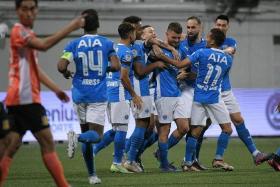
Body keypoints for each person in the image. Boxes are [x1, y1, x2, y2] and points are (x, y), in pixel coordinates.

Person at [0, 0, 84, 186]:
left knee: (10, 146)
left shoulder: (26, 33)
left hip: (19, 99)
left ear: (36, 10)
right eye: (24, 9)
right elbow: (44, 45)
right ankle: (63, 185)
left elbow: (35, 70)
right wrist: (72, 26)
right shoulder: (19, 31)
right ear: (17, 11)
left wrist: (55, 90)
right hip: (25, 99)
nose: (29, 13)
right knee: (47, 142)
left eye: (32, 9)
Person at [57, 9, 120, 184]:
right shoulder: (107, 43)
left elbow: (61, 65)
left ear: (82, 25)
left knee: (88, 135)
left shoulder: (73, 44)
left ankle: (92, 175)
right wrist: (104, 69)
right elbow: (116, 66)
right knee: (96, 136)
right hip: (97, 94)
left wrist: (66, 72)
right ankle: (75, 138)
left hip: (79, 93)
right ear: (98, 24)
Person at [157, 28, 233, 171]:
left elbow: (179, 65)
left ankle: (187, 162)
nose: (206, 39)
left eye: (208, 37)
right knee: (227, 129)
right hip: (214, 97)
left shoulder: (200, 53)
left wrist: (163, 57)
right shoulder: (228, 59)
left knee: (195, 132)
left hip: (198, 96)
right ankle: (218, 158)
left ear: (212, 40)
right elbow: (222, 79)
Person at [196, 15, 267, 169]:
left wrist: (226, 50)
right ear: (214, 25)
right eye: (218, 24)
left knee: (238, 120)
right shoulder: (205, 42)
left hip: (225, 90)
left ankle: (254, 153)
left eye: (223, 25)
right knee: (202, 126)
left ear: (227, 27)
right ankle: (193, 158)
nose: (220, 27)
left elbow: (231, 49)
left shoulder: (230, 42)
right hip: (211, 91)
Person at [151, 22, 189, 172]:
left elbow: (189, 37)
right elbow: (152, 43)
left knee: (184, 127)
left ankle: (161, 153)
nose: (176, 40)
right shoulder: (158, 48)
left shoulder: (180, 47)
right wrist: (170, 47)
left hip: (177, 94)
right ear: (166, 34)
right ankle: (164, 165)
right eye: (173, 37)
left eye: (179, 38)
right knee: (164, 130)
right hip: (163, 95)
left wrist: (184, 72)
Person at [106, 22, 142, 173]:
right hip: (119, 93)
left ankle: (116, 162)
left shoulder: (113, 48)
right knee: (121, 129)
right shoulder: (126, 52)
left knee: (115, 129)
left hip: (108, 91)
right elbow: (124, 77)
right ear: (129, 34)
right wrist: (134, 95)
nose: (135, 35)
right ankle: (116, 163)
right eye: (134, 32)